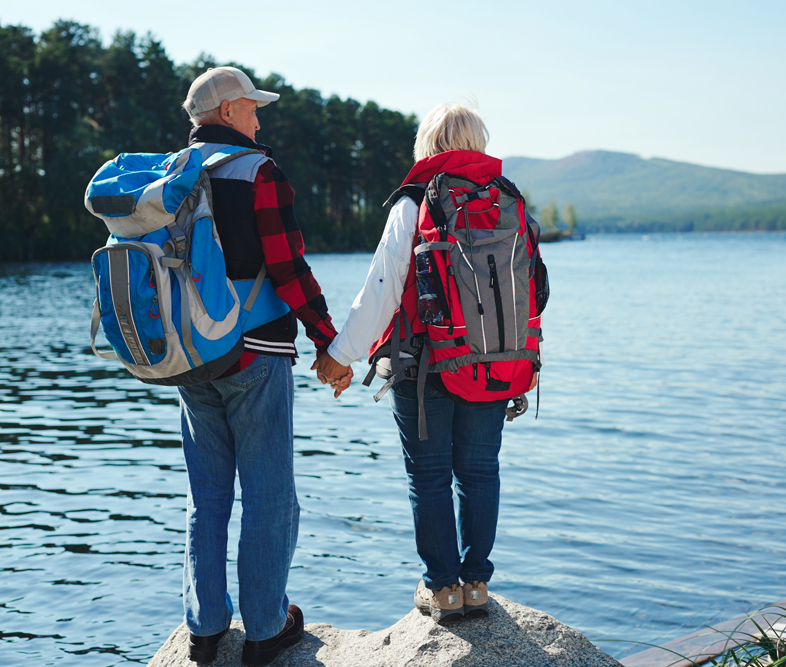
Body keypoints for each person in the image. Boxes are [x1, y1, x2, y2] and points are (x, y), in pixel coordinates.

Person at [316, 103, 540, 625]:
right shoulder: (509, 202)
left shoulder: (416, 202)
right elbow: (535, 291)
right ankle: (478, 584)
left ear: (428, 146)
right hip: (495, 362)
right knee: (481, 472)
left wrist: (338, 356)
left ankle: (442, 589)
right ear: (476, 142)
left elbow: (380, 289)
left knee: (431, 475)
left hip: (423, 367)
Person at [176, 66, 345, 666]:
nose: (258, 116)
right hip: (255, 353)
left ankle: (204, 627)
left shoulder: (173, 173)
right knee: (270, 494)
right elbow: (287, 265)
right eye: (250, 106)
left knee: (208, 494)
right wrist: (329, 340)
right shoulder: (258, 171)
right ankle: (267, 627)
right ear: (225, 112)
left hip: (190, 355)